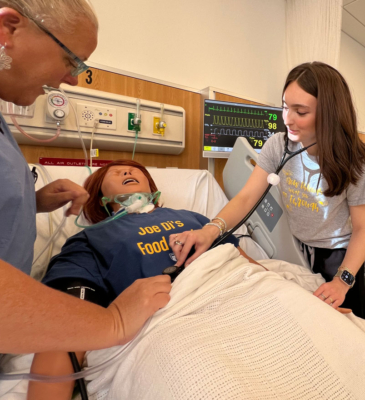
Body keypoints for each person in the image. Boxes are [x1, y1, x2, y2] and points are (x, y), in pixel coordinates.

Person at [0, 0, 171, 354]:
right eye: (70, 60)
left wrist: (30, 203)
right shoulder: (91, 240)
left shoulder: (188, 219)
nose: (72, 79)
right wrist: (113, 322)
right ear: (8, 28)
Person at [27, 160, 257, 400]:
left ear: (151, 186)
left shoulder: (194, 218)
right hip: (174, 325)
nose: (126, 171)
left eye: (135, 170)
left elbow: (244, 263)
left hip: (243, 297)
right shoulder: (91, 238)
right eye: (115, 173)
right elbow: (67, 319)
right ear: (99, 196)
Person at [170, 62, 365, 318]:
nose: (287, 119)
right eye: (285, 107)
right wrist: (211, 230)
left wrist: (342, 281)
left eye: (300, 111)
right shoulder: (278, 146)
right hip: (299, 247)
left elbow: (363, 229)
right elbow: (246, 198)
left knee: (349, 325)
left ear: (329, 114)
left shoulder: (355, 161)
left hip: (340, 255)